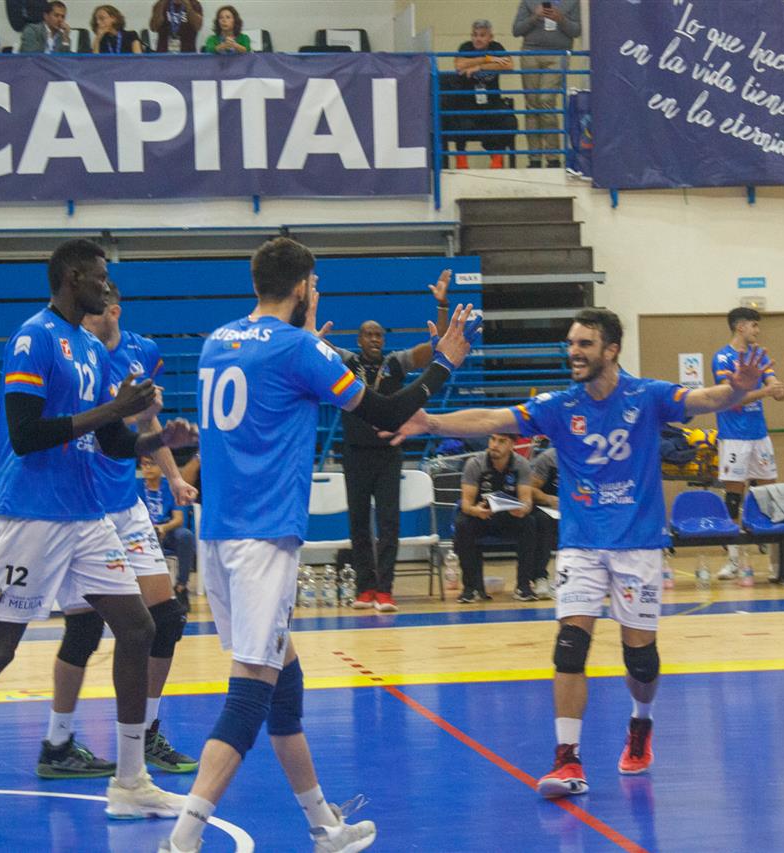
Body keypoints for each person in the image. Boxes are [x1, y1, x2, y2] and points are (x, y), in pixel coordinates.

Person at [159, 236, 479, 853]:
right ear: (304, 286)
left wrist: (310, 340)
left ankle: (324, 827)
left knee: (285, 682)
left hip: (221, 534)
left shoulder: (218, 340)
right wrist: (444, 364)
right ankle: (183, 839)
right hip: (263, 538)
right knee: (249, 693)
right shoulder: (299, 349)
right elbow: (384, 412)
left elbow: (277, 384)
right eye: (316, 285)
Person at [384, 307, 769, 800]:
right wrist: (431, 421)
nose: (573, 352)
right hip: (582, 545)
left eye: (584, 344)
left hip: (637, 545)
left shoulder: (647, 396)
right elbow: (493, 418)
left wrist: (737, 389)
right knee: (569, 647)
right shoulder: (560, 405)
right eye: (570, 343)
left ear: (611, 349)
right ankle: (567, 759)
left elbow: (706, 398)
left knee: (641, 661)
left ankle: (641, 721)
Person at [0, 239, 197, 836]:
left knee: (139, 627)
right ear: (72, 278)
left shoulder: (90, 347)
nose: (107, 287)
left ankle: (130, 782)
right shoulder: (32, 337)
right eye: (100, 277)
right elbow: (27, 433)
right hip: (31, 515)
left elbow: (110, 443)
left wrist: (156, 441)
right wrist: (113, 408)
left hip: (86, 515)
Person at [35, 284, 201, 781]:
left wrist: (174, 476)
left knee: (167, 618)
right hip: (82, 510)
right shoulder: (71, 355)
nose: (84, 321)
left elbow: (147, 421)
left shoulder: (140, 351)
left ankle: (146, 730)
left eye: (93, 314)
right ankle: (57, 742)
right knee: (84, 629)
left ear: (112, 311)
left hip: (126, 506)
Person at [336, 270, 450, 613]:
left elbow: (436, 347)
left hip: (388, 455)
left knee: (388, 524)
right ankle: (364, 589)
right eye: (368, 334)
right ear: (359, 339)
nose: (374, 339)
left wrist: (442, 306)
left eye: (379, 334)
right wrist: (309, 322)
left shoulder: (394, 363)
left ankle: (384, 591)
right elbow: (314, 344)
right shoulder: (347, 362)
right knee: (358, 523)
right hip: (355, 454)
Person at [711, 307, 784, 582]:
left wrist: (782, 391)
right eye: (754, 326)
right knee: (733, 497)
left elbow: (774, 390)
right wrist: (766, 391)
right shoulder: (722, 357)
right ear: (741, 327)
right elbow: (730, 398)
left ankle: (780, 561)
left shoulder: (759, 356)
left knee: (771, 495)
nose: (758, 331)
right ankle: (733, 559)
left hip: (759, 435)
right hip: (733, 437)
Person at [455, 432, 536, 603]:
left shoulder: (521, 464)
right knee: (462, 523)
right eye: (492, 439)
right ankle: (471, 588)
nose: (494, 445)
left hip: (509, 517)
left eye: (501, 441)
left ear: (512, 445)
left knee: (530, 522)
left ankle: (524, 586)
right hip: (481, 517)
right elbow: (466, 504)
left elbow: (527, 501)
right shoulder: (475, 464)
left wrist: (522, 509)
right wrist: (475, 510)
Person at [511, 0, 581, 168]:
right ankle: (534, 158)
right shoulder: (528, 2)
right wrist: (534, 17)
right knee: (532, 105)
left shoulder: (572, 2)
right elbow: (516, 30)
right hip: (530, 53)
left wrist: (561, 19)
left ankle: (553, 157)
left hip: (558, 54)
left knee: (546, 100)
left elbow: (576, 31)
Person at [448, 19, 516, 169]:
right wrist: (486, 58)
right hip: (468, 102)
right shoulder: (466, 47)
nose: (477, 39)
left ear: (490, 37)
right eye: (475, 35)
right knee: (458, 121)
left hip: (492, 101)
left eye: (482, 35)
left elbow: (509, 64)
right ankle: (461, 158)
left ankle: (497, 157)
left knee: (509, 121)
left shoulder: (496, 47)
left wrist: (479, 67)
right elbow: (459, 64)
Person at [139, 455, 196, 608]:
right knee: (151, 537)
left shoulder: (170, 487)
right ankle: (151, 592)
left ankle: (181, 587)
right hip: (143, 533)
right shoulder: (136, 487)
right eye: (144, 464)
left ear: (161, 467)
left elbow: (178, 519)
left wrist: (163, 527)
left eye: (151, 464)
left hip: (167, 531)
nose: (147, 468)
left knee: (185, 536)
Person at [527, 443, 559, 598]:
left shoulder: (591, 459)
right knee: (542, 521)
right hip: (549, 508)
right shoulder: (548, 458)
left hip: (579, 508)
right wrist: (548, 499)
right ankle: (540, 576)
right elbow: (530, 489)